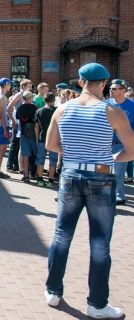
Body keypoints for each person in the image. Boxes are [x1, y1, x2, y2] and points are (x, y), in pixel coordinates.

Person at [44, 63, 134, 319]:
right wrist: (108, 158)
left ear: (81, 82)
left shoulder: (62, 109)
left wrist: (75, 156)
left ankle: (53, 291)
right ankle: (96, 304)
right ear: (105, 83)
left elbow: (51, 144)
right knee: (99, 243)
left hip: (71, 174)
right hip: (101, 177)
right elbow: (132, 149)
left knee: (62, 235)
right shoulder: (112, 111)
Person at [107, 79, 134, 206]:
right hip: (106, 144)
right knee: (105, 172)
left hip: (121, 145)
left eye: (114, 88)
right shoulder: (105, 104)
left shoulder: (132, 106)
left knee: (118, 173)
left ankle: (117, 196)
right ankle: (119, 195)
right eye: (110, 88)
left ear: (123, 91)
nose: (111, 90)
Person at [7, 79, 33, 174]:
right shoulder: (19, 95)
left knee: (21, 145)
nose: (31, 88)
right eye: (29, 86)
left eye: (31, 86)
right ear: (23, 87)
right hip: (17, 122)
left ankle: (17, 165)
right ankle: (9, 165)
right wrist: (13, 121)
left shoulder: (29, 96)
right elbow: (9, 108)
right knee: (15, 144)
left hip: (24, 122)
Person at [34, 92, 58, 187]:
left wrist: (37, 138)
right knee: (53, 160)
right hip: (54, 138)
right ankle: (50, 181)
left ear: (44, 100)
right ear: (54, 100)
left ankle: (40, 179)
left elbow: (36, 127)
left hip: (42, 137)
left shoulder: (39, 111)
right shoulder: (57, 111)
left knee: (40, 159)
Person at [17, 90, 38, 183]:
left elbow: (18, 119)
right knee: (36, 154)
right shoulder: (34, 108)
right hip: (33, 133)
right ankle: (36, 173)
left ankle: (25, 175)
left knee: (25, 155)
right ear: (29, 98)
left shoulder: (20, 108)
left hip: (23, 133)